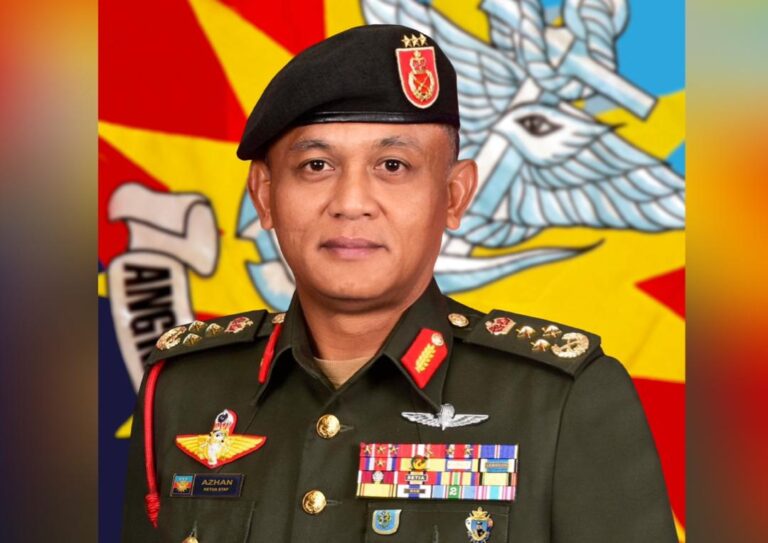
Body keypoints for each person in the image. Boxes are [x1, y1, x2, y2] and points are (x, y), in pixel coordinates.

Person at [122, 24, 677, 543]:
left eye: (392, 166)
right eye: (316, 166)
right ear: (264, 195)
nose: (351, 203)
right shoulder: (184, 389)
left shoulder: (561, 399)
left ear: (455, 195)